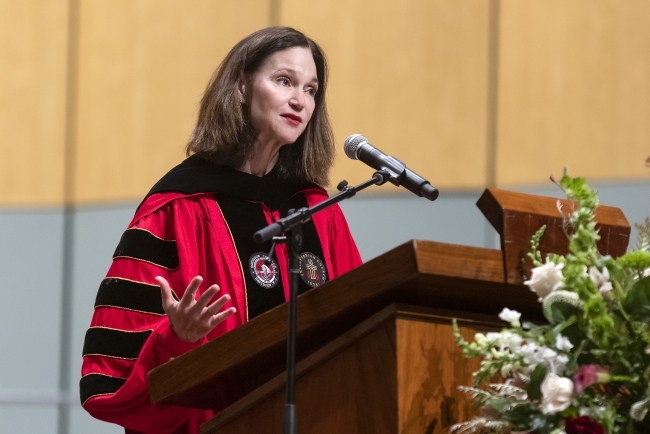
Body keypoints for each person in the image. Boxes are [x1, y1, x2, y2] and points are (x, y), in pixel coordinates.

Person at [80, 27, 362, 434]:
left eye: (311, 89)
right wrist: (176, 337)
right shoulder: (176, 208)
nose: (300, 100)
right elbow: (111, 374)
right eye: (284, 81)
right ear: (243, 85)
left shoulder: (317, 211)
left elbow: (359, 326)